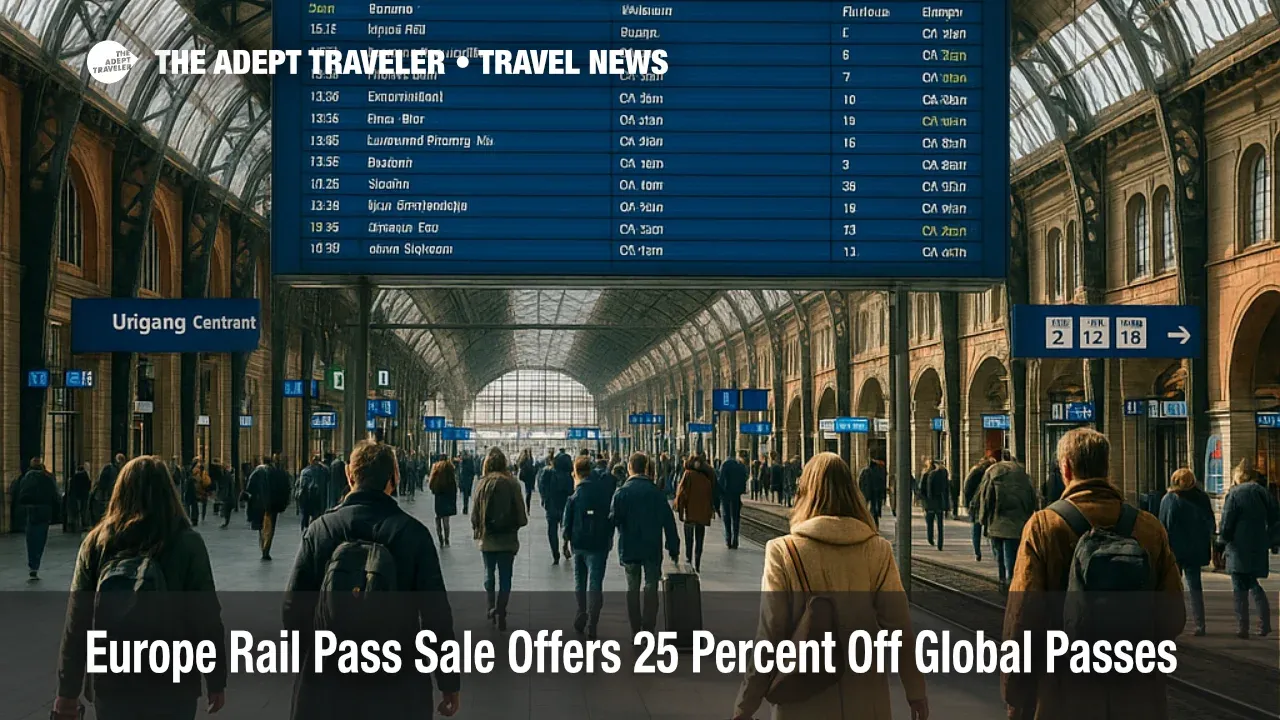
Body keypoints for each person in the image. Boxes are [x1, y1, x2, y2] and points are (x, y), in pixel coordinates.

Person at [1002, 427, 1183, 720]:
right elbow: (1173, 616)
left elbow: (1023, 619)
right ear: (1106, 467)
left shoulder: (1044, 526)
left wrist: (1016, 694)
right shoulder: (1149, 528)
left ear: (1066, 468)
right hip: (1137, 695)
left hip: (1063, 693)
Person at [732, 453, 929, 720]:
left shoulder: (784, 551)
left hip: (803, 700)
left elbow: (770, 635)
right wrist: (915, 692)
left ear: (805, 492)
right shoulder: (877, 549)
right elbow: (899, 628)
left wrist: (745, 706)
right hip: (866, 700)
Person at [282, 441, 460, 720]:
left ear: (350, 476)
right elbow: (436, 615)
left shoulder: (321, 530)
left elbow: (293, 608)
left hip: (329, 681)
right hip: (397, 683)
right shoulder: (414, 535)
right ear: (394, 478)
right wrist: (448, 681)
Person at [52, 456, 227, 720]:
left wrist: (67, 691)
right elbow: (206, 616)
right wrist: (216, 679)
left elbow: (77, 621)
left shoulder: (97, 542)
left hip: (111, 678)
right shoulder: (187, 542)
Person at [611, 452, 680, 634]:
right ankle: (648, 627)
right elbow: (669, 522)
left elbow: (614, 519)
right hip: (651, 547)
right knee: (651, 585)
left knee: (632, 587)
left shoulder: (622, 492)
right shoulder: (656, 493)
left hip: (629, 547)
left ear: (630, 468)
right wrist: (673, 547)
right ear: (646, 468)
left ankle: (635, 628)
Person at [1219, 459, 1278, 639]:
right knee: (1254, 584)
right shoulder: (1264, 493)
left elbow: (1227, 521)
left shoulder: (1235, 494)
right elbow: (1276, 518)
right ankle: (1264, 623)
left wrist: (1222, 541)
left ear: (1238, 476)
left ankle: (1242, 626)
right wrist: (1271, 540)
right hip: (1258, 544)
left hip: (1238, 546)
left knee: (1239, 588)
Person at [471, 448, 528, 631]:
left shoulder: (482, 484)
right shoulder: (513, 484)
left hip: (487, 538)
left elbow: (475, 514)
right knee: (505, 576)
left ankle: (490, 607)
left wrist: (478, 528)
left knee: (489, 573)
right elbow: (522, 516)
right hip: (508, 538)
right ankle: (501, 610)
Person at [562, 455, 615, 639]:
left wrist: (565, 542)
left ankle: (581, 611)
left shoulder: (574, 496)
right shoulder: (602, 493)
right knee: (595, 584)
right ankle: (593, 623)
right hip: (599, 546)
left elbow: (566, 522)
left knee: (580, 581)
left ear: (576, 473)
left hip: (579, 545)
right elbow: (610, 517)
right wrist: (609, 538)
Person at [1158, 468, 1214, 636]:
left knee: (1173, 587)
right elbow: (1210, 524)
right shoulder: (1202, 499)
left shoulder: (1169, 499)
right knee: (1195, 587)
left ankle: (1171, 622)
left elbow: (1163, 526)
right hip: (1195, 550)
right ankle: (1200, 624)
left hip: (1175, 549)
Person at [977, 453, 1035, 588]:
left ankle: (1002, 579)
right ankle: (1012, 580)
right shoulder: (1022, 474)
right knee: (1012, 552)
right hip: (1018, 521)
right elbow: (1032, 496)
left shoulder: (992, 472)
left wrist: (983, 519)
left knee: (999, 553)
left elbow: (986, 498)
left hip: (997, 520)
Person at [16, 458, 59, 582]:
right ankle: (36, 563)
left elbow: (20, 496)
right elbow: (54, 496)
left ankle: (32, 564)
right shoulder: (47, 478)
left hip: (31, 512)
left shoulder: (25, 479)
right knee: (41, 539)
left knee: (31, 539)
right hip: (45, 512)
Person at [675, 453, 718, 571]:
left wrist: (679, 509)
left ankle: (689, 561)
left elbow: (681, 493)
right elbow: (712, 495)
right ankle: (697, 563)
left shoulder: (688, 474)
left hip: (689, 514)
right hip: (702, 514)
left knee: (689, 541)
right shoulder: (708, 477)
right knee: (699, 541)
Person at [537, 451, 575, 565]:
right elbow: (571, 493)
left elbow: (541, 486)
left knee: (552, 531)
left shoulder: (548, 472)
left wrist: (545, 500)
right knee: (566, 527)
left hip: (552, 506)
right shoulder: (569, 477)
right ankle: (565, 545)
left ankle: (555, 554)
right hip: (565, 507)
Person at [962, 454, 996, 562]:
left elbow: (966, 489)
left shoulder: (975, 472)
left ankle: (977, 552)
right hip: (981, 504)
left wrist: (967, 504)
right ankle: (994, 553)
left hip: (975, 504)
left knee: (976, 529)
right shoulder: (989, 474)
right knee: (990, 528)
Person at [719, 450, 749, 549]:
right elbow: (744, 478)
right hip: (736, 495)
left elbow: (721, 479)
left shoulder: (725, 465)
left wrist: (721, 492)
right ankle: (735, 539)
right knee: (736, 518)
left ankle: (728, 539)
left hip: (726, 494)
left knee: (726, 517)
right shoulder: (740, 466)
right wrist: (741, 490)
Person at [918, 459, 951, 549]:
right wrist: (947, 505)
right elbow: (946, 490)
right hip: (940, 502)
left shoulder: (926, 474)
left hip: (929, 503)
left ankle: (930, 539)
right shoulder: (943, 474)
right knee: (940, 524)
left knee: (930, 523)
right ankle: (940, 544)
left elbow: (921, 490)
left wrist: (923, 502)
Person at [429, 456, 459, 547]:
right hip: (448, 495)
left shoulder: (436, 467)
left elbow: (431, 482)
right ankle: (447, 539)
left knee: (438, 516)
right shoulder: (450, 468)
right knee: (446, 519)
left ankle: (440, 536)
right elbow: (454, 483)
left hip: (439, 495)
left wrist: (434, 490)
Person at [91, 453, 125, 524]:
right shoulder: (111, 469)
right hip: (107, 496)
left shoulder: (117, 470)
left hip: (111, 495)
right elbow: (103, 483)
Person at [297, 455, 329, 530]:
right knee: (316, 515)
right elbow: (328, 475)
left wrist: (300, 495)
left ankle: (305, 528)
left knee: (305, 515)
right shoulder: (323, 471)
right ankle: (313, 528)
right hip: (318, 497)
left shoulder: (305, 471)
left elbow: (302, 485)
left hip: (307, 497)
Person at [858, 452, 888, 525]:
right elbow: (881, 483)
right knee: (873, 509)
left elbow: (860, 481)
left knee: (867, 508)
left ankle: (868, 521)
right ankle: (874, 523)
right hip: (874, 493)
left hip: (866, 493)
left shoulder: (864, 471)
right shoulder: (878, 472)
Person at [67, 463, 91, 533]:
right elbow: (88, 485)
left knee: (76, 511)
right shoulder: (86, 476)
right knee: (84, 510)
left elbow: (72, 487)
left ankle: (76, 525)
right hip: (84, 496)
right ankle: (84, 524)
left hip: (76, 496)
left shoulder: (75, 477)